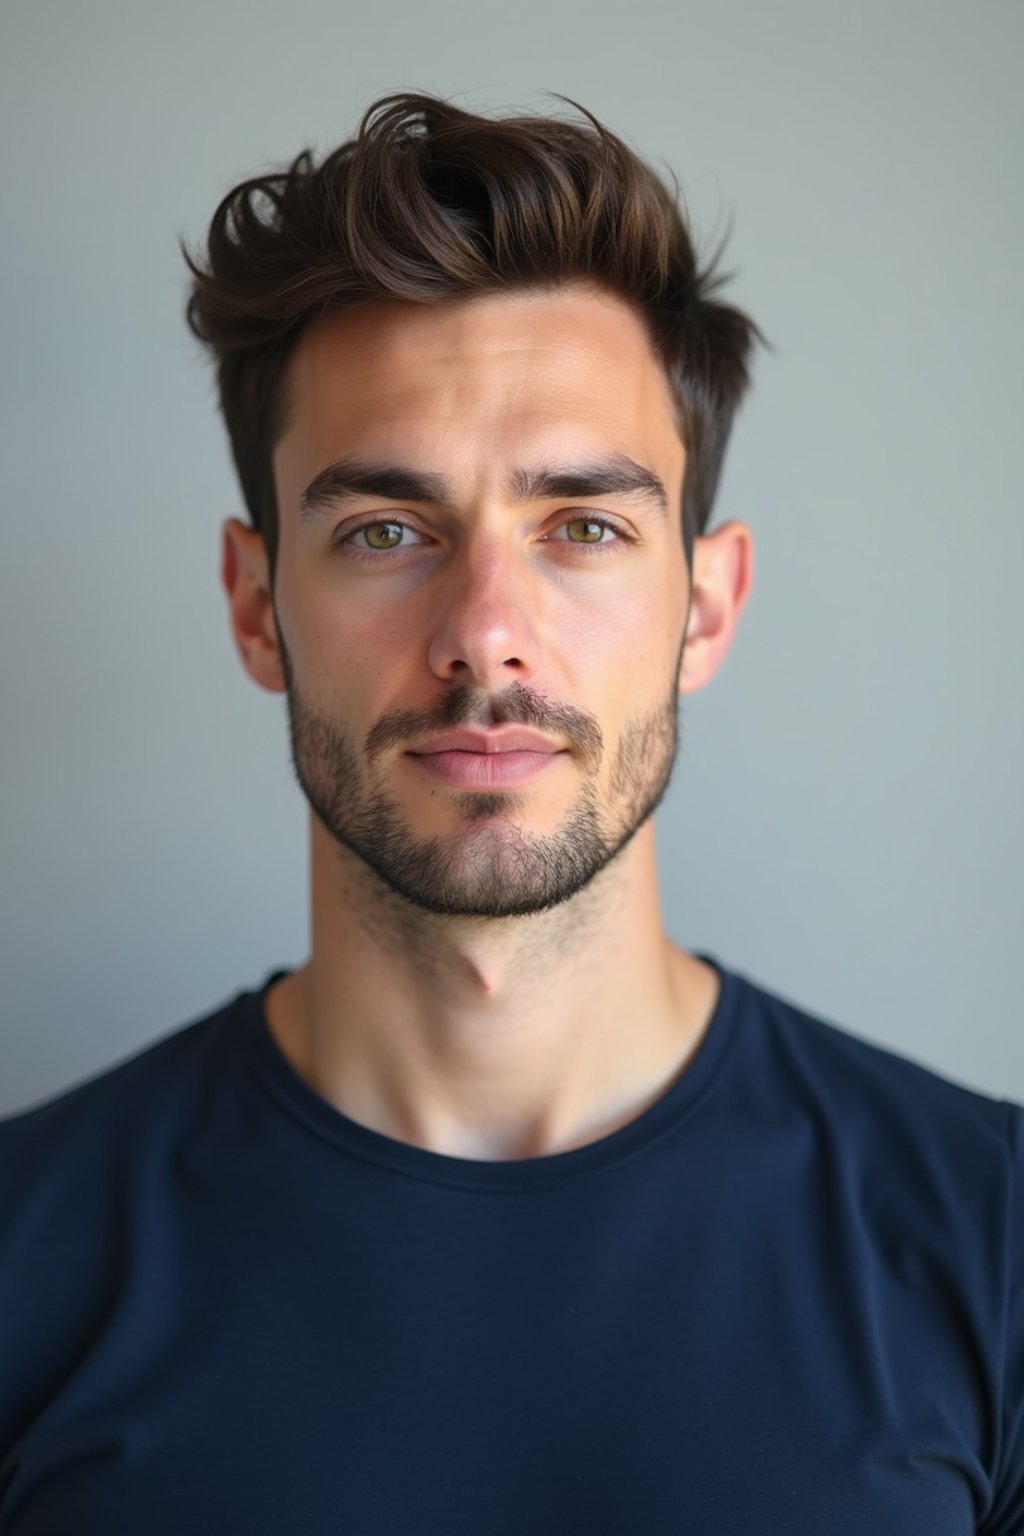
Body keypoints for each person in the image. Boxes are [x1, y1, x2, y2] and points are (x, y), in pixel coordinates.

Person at [0, 89, 1019, 1535]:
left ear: (707, 605)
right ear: (255, 605)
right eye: (386, 531)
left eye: (585, 528)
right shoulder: (24, 1257)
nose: (487, 634)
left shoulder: (992, 1241)